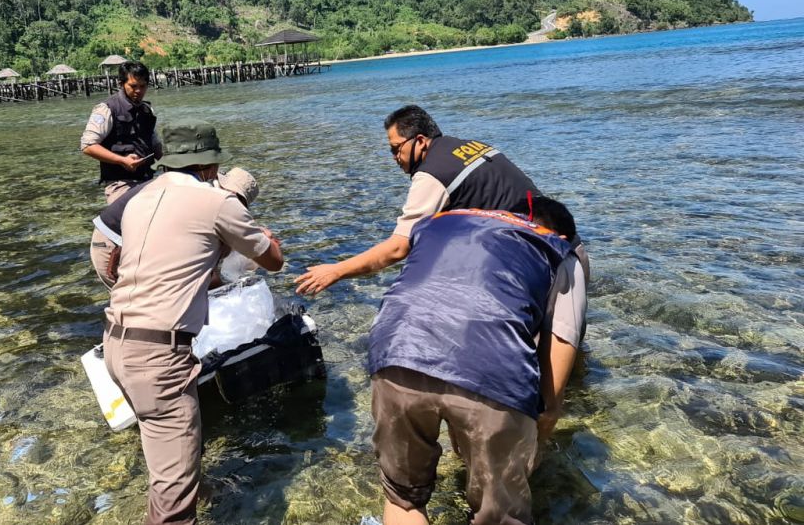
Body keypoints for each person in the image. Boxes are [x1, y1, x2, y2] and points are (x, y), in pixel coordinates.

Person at [102, 120, 283, 525]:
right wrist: (266, 239)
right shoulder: (218, 202)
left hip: (115, 344)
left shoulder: (140, 197)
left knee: (166, 462)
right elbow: (273, 261)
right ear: (211, 167)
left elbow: (127, 263)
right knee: (174, 504)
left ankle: (185, 485)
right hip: (158, 358)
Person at [366, 197, 586, 525]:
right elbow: (553, 386)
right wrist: (531, 447)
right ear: (566, 238)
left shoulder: (453, 225)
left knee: (404, 499)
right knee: (500, 516)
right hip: (492, 366)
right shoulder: (560, 252)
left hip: (394, 350)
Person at [296, 104, 560, 295]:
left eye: (396, 149)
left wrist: (336, 270)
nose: (394, 157)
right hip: (561, 243)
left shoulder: (432, 173)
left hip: (538, 263)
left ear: (420, 141)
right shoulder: (470, 145)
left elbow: (398, 248)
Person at [89, 167, 260, 289]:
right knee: (138, 304)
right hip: (113, 244)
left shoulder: (200, 189)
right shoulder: (203, 199)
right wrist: (226, 293)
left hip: (123, 240)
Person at [80, 61, 163, 203]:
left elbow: (156, 146)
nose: (138, 91)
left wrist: (174, 168)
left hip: (147, 181)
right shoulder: (106, 109)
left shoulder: (146, 110)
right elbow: (87, 146)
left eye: (143, 86)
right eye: (133, 86)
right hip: (120, 185)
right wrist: (122, 160)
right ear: (121, 84)